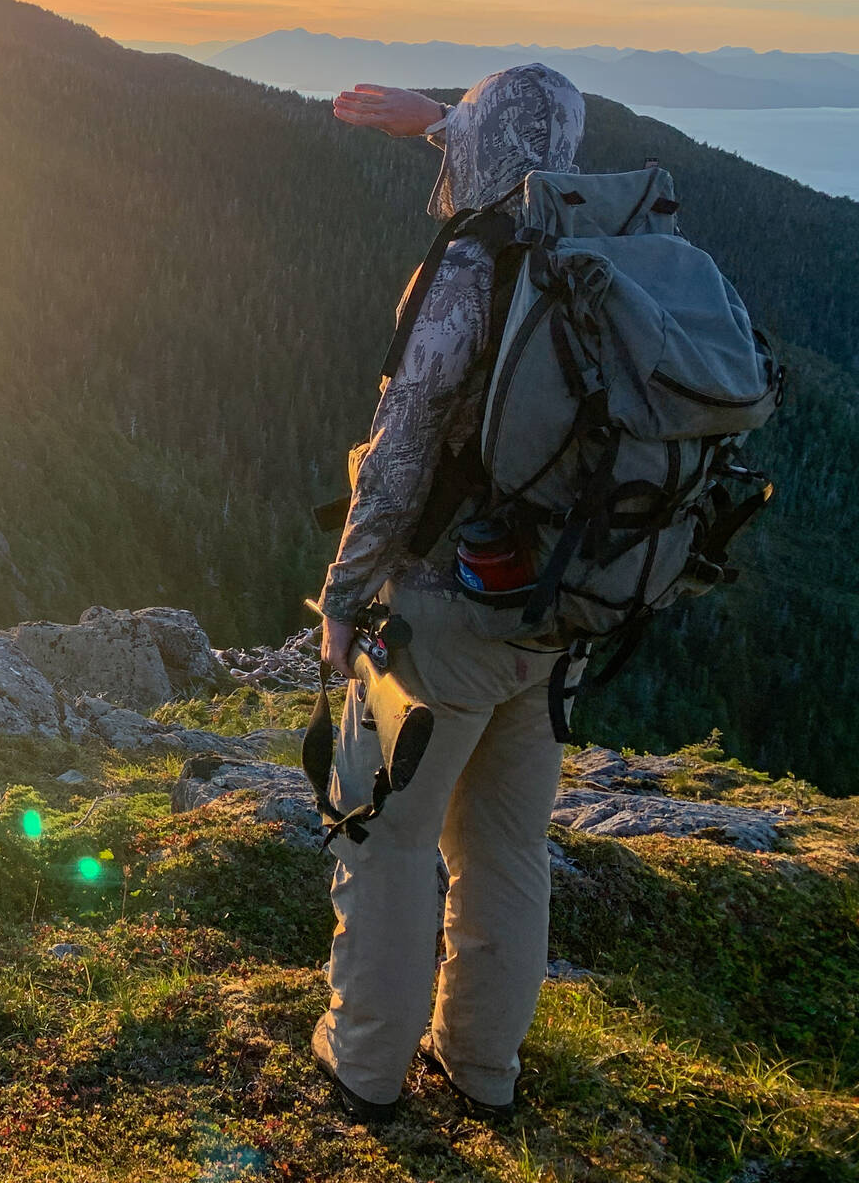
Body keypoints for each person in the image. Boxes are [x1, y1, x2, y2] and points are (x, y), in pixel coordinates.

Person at [310, 65, 588, 1124]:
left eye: (465, 129)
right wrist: (439, 122)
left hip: (442, 618)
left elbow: (400, 449)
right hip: (551, 619)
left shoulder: (473, 267)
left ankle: (363, 1068)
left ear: (483, 150)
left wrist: (342, 595)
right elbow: (509, 156)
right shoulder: (589, 258)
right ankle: (480, 1071)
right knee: (505, 853)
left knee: (382, 842)